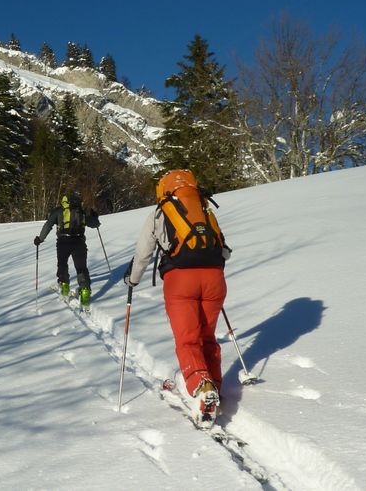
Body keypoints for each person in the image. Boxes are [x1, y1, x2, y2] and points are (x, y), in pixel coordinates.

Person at [123, 169, 231, 424]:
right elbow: (224, 251)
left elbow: (142, 253)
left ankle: (202, 387)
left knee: (188, 340)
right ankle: (213, 386)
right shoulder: (204, 210)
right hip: (214, 280)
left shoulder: (160, 213)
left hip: (180, 281)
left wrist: (133, 279)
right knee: (207, 337)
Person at [34, 192, 100, 309]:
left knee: (62, 264)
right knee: (81, 267)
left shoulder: (59, 211)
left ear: (64, 201)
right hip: (79, 242)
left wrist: (40, 239)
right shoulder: (81, 211)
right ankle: (84, 290)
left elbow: (48, 225)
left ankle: (64, 286)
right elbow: (95, 224)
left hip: (63, 242)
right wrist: (95, 217)